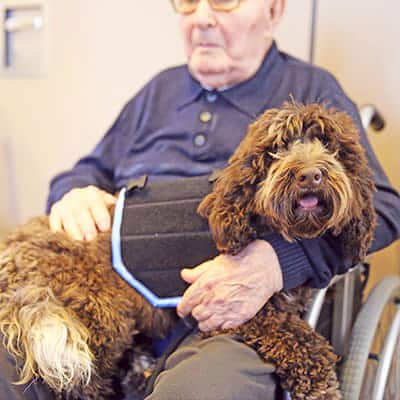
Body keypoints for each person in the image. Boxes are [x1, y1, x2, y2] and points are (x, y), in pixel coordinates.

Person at [1, 0, 400, 399]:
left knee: (201, 389)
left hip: (236, 316)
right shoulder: (160, 91)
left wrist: (278, 263)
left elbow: (382, 207)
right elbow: (88, 170)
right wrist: (74, 193)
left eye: (224, 1)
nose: (203, 18)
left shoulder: (313, 90)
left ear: (274, 11)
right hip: (116, 295)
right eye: (189, 2)